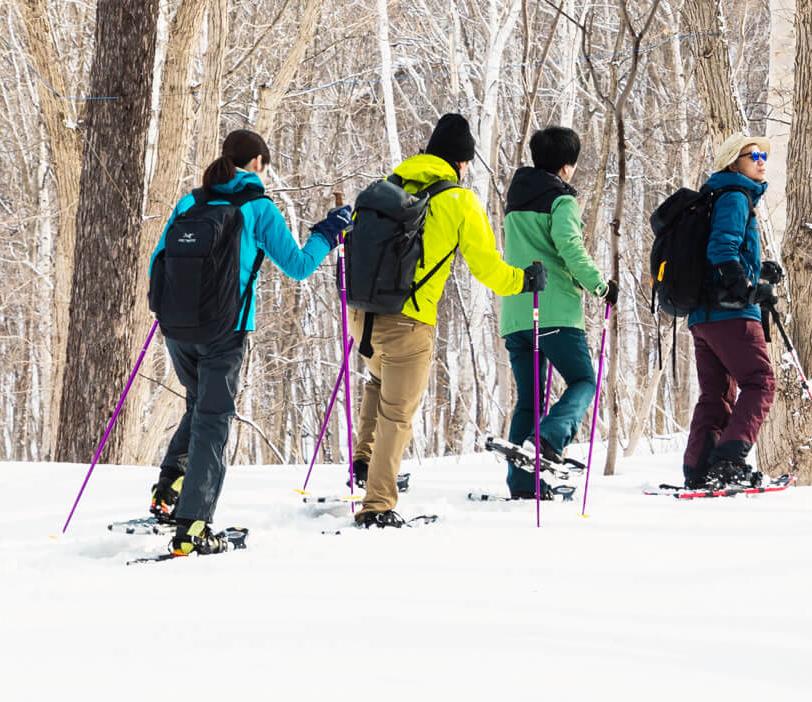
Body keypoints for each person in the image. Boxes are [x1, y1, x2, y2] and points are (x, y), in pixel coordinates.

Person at [149, 128, 351, 555]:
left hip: (177, 328)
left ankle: (169, 490)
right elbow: (297, 265)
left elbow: (158, 259)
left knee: (200, 403)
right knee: (213, 418)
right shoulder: (258, 207)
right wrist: (329, 233)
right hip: (226, 329)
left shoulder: (191, 200)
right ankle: (193, 526)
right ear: (258, 163)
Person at [350, 113, 543, 527]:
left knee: (378, 382)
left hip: (360, 313)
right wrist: (525, 280)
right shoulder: (458, 200)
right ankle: (377, 504)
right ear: (461, 162)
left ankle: (364, 464)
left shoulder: (391, 184)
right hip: (408, 321)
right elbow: (488, 270)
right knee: (397, 415)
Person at [499, 126, 619, 499]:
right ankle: (548, 441)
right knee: (584, 380)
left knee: (530, 399)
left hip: (517, 313)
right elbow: (570, 249)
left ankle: (522, 483)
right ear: (568, 166)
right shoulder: (562, 200)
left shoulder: (515, 199)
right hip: (555, 312)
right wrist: (600, 285)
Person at [682, 132, 782, 489]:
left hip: (703, 317)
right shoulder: (736, 195)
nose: (760, 161)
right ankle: (728, 462)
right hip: (732, 314)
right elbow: (722, 248)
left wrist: (759, 269)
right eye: (752, 155)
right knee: (760, 383)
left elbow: (724, 248)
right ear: (732, 163)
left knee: (717, 394)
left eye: (762, 156)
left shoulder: (715, 196)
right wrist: (747, 290)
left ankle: (698, 469)